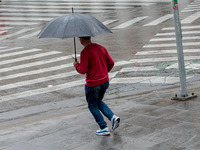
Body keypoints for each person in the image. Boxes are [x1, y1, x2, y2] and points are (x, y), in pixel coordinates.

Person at [73, 37, 120, 136]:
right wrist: (104, 72)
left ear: (81, 39)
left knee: (92, 105)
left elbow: (82, 70)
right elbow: (111, 62)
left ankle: (103, 127)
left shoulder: (85, 52)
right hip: (105, 81)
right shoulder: (101, 48)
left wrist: (76, 65)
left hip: (93, 84)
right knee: (98, 101)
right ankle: (113, 117)